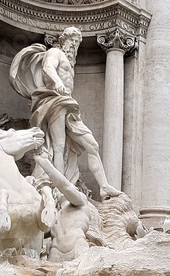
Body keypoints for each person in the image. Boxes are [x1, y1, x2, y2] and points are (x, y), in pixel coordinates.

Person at [9, 27, 121, 201]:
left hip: (68, 105)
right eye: (72, 40)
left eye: (77, 42)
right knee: (59, 146)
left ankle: (104, 187)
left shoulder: (70, 62)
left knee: (92, 145)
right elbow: (47, 67)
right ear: (63, 40)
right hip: (55, 101)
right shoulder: (55, 52)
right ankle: (59, 187)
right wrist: (57, 82)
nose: (74, 45)